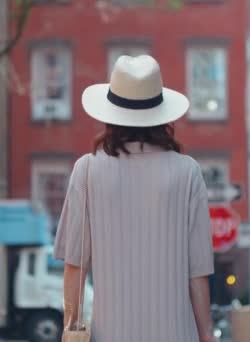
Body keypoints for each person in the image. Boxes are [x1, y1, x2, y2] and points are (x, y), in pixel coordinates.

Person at [54, 55, 216, 342]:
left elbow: (74, 265)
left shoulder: (87, 171)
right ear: (161, 113)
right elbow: (198, 272)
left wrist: (71, 325)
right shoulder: (188, 172)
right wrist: (206, 335)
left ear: (111, 114)